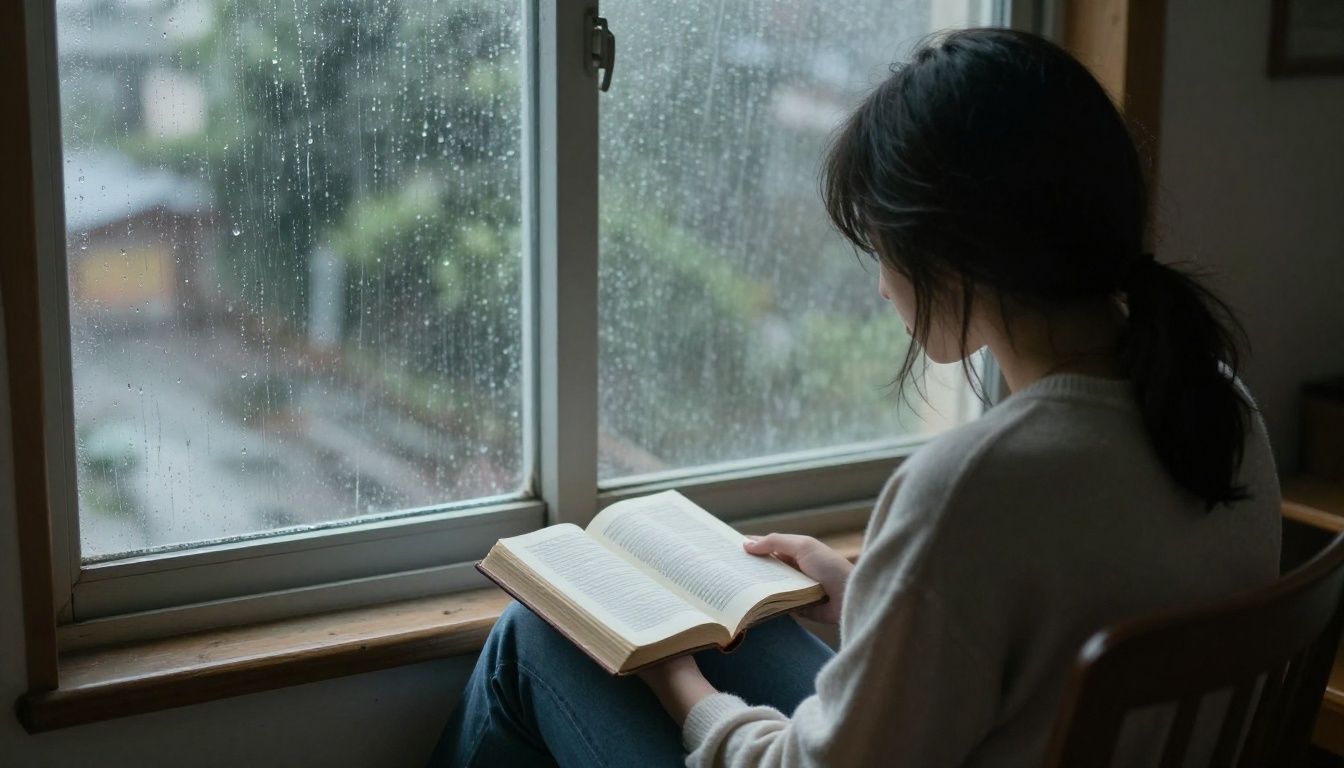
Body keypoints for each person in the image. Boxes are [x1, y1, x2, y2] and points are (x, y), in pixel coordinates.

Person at [430, 27, 1281, 767]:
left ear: (953, 248)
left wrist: (675, 682)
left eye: (880, 244)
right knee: (751, 625)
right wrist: (870, 595)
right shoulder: (1221, 411)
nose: (879, 284)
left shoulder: (977, 488)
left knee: (536, 639)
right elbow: (1050, 634)